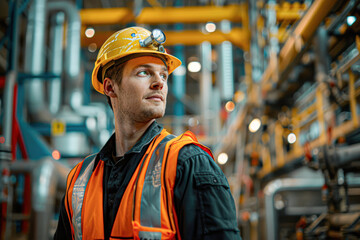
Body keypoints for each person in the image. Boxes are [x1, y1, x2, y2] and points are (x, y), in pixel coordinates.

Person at [54, 26, 240, 240]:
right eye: (144, 72)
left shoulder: (188, 163)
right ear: (110, 87)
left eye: (163, 75)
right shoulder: (79, 181)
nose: (159, 82)